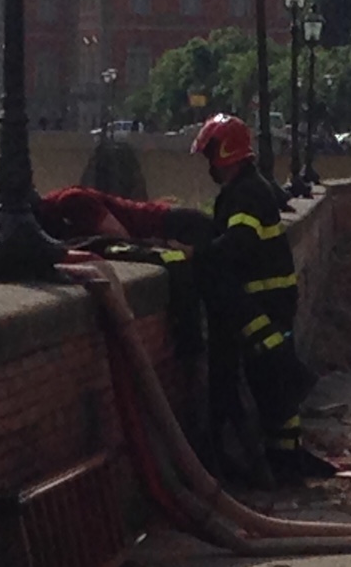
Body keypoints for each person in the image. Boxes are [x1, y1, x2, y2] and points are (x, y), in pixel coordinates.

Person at [190, 114, 321, 483]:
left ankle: (282, 462)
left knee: (272, 379)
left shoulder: (244, 193)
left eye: (211, 154)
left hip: (265, 305)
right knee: (277, 382)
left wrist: (195, 256)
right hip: (274, 302)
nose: (209, 164)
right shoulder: (254, 187)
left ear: (226, 151)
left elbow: (238, 245)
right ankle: (286, 457)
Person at [35, 185, 210, 245]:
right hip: (165, 223)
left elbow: (120, 236)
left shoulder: (72, 201)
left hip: (170, 225)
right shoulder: (61, 207)